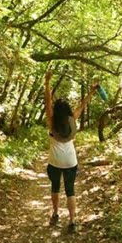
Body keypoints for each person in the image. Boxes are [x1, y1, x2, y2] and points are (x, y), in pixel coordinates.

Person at [44, 70, 98, 231]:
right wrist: (92, 91)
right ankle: (73, 222)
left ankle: (55, 214)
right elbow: (83, 104)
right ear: (67, 110)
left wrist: (47, 82)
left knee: (55, 187)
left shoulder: (51, 122)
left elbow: (47, 102)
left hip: (55, 161)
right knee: (70, 190)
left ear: (56, 110)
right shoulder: (72, 119)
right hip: (70, 161)